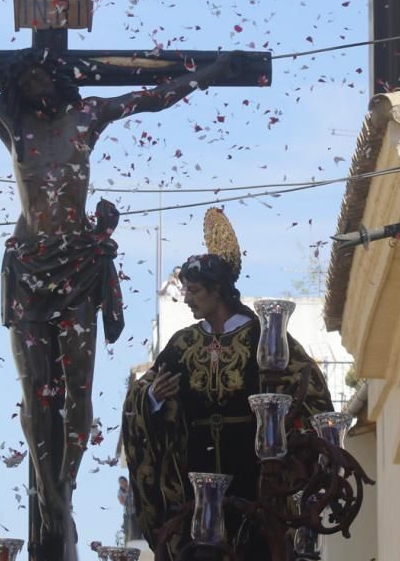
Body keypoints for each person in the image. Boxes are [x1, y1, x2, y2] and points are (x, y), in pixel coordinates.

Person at [0, 42, 242, 558]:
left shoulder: (89, 115)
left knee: (78, 386)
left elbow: (155, 97)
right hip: (31, 268)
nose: (35, 85)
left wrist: (212, 72)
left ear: (59, 77)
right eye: (26, 78)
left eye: (42, 76)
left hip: (79, 266)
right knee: (35, 388)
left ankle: (66, 484)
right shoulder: (11, 122)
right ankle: (48, 487)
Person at [122, 210, 333, 560]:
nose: (186, 299)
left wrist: (294, 435)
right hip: (194, 477)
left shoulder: (264, 338)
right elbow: (141, 395)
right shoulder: (181, 345)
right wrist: (153, 398)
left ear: (216, 291)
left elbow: (309, 391)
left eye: (193, 291)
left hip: (255, 472)